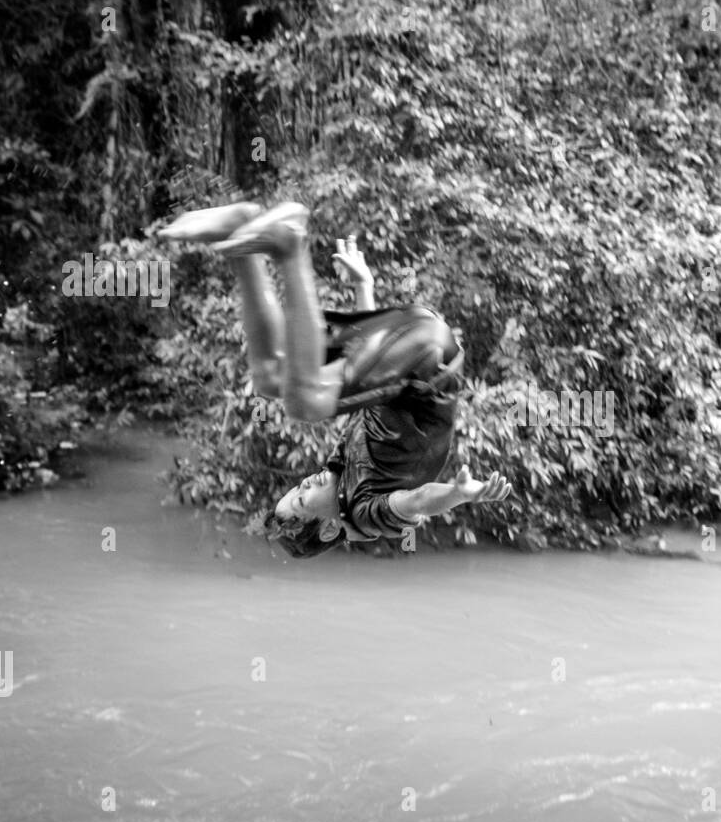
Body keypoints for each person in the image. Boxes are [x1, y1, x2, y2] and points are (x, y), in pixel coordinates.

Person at [158, 201, 512, 558]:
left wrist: (364, 286)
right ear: (328, 526)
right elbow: (418, 500)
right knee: (304, 402)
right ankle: (288, 244)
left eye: (295, 488)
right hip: (429, 364)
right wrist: (457, 494)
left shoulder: (344, 462)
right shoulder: (366, 514)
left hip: (408, 341)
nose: (305, 483)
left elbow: (371, 375)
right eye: (301, 500)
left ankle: (242, 233)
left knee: (270, 377)